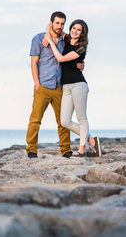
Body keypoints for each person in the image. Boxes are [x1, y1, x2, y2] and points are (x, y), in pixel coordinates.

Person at [44, 19, 101, 157]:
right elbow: (51, 26)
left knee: (81, 117)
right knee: (65, 121)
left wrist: (51, 42)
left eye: (78, 30)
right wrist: (48, 35)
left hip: (78, 85)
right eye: (73, 28)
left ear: (82, 33)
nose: (75, 31)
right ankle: (91, 140)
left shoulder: (81, 48)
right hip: (66, 87)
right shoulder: (67, 38)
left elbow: (61, 59)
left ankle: (81, 149)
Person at [26, 11, 73, 159]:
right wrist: (36, 83)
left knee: (63, 121)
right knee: (35, 120)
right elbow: (34, 62)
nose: (59, 26)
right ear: (51, 22)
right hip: (43, 86)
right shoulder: (38, 39)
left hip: (60, 86)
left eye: (62, 23)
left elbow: (75, 53)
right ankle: (31, 150)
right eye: (57, 23)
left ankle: (66, 151)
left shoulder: (65, 40)